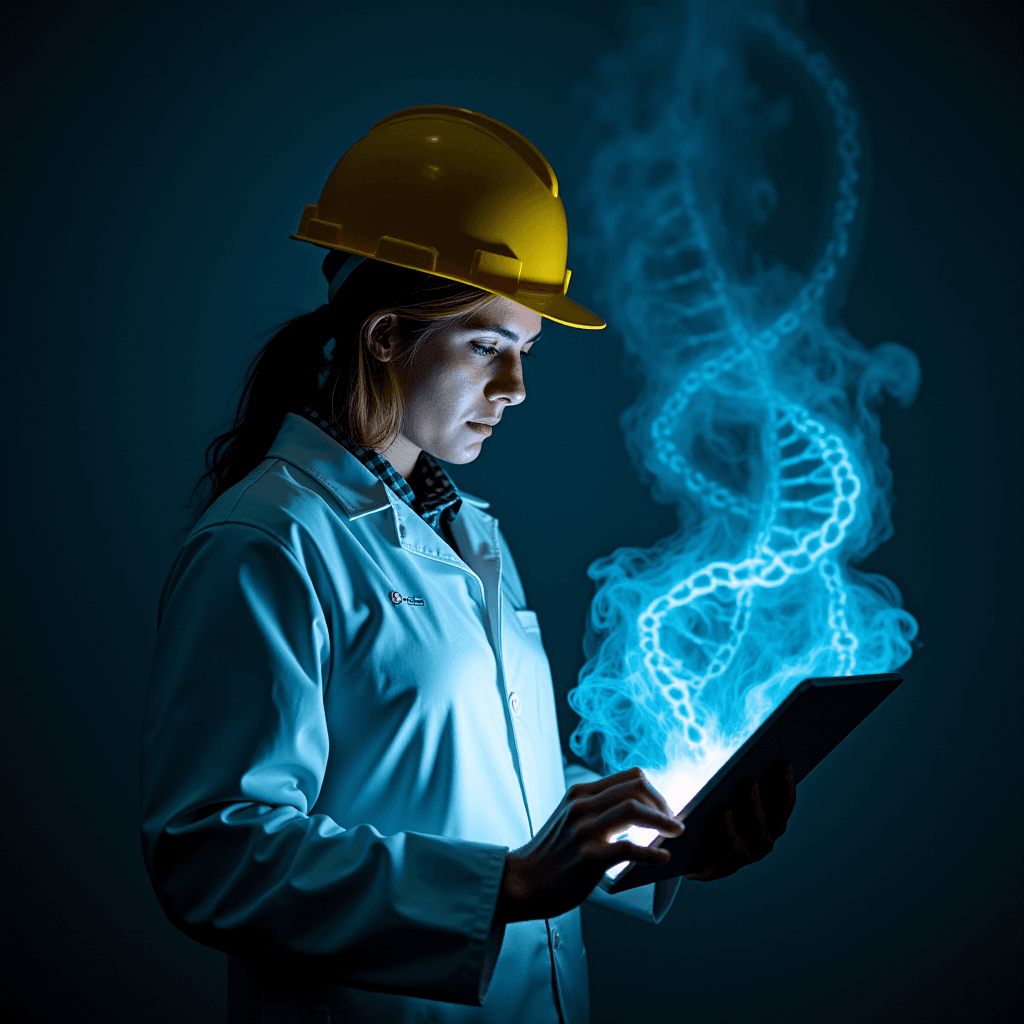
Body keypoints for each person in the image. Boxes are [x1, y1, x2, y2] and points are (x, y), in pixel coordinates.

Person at [140, 106, 795, 1024]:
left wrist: (659, 841)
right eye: (488, 347)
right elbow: (211, 852)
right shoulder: (267, 543)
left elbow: (484, 788)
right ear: (384, 337)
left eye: (525, 351)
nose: (516, 388)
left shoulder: (466, 530)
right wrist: (509, 887)